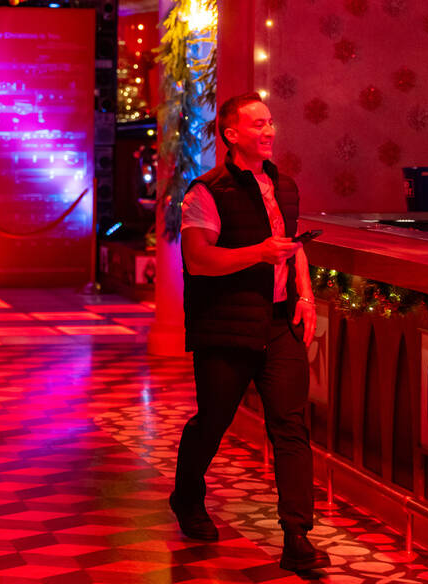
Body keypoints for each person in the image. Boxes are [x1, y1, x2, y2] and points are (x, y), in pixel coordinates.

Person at [170, 92, 328, 573]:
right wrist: (257, 253)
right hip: (226, 327)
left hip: (279, 324)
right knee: (213, 421)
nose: (269, 131)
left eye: (271, 122)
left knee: (291, 427)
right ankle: (186, 496)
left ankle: (297, 536)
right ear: (231, 134)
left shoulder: (286, 186)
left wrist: (305, 295)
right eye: (258, 124)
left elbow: (292, 246)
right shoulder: (207, 192)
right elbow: (198, 261)